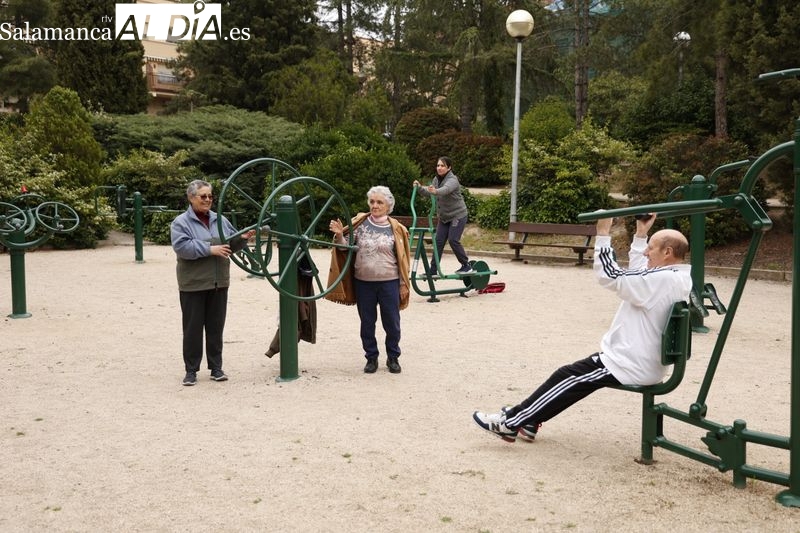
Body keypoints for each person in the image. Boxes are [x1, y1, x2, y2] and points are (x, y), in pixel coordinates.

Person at [472, 214, 692, 442]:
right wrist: (640, 236)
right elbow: (638, 273)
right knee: (573, 378)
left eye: (651, 248)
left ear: (667, 253)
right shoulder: (675, 277)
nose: (646, 252)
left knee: (567, 377)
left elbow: (611, 276)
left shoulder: (661, 281)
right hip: (639, 359)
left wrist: (603, 234)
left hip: (629, 363)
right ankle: (530, 420)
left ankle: (510, 423)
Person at [170, 179, 255, 386]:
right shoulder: (181, 222)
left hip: (219, 283)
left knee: (216, 328)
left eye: (210, 196)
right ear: (191, 198)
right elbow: (182, 247)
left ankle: (216, 368)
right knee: (192, 329)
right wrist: (210, 249)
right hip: (194, 284)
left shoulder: (220, 220)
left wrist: (242, 238)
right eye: (203, 196)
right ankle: (191, 371)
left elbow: (229, 245)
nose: (208, 200)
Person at [328, 186, 411, 374]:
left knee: (392, 322)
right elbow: (344, 248)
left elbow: (403, 259)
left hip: (389, 282)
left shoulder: (396, 229)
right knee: (367, 322)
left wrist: (403, 284)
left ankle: (393, 357)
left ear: (388, 205)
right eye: (372, 201)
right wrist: (340, 235)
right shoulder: (360, 224)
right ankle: (371, 357)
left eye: (379, 202)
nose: (375, 205)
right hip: (363, 282)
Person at [412, 156, 472, 275]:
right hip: (444, 218)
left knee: (453, 240)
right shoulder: (436, 179)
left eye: (442, 165)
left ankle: (466, 265)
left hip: (457, 215)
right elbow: (430, 192)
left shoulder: (453, 180)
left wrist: (436, 191)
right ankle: (433, 270)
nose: (439, 168)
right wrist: (419, 188)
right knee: (438, 242)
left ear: (449, 167)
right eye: (438, 165)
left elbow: (446, 190)